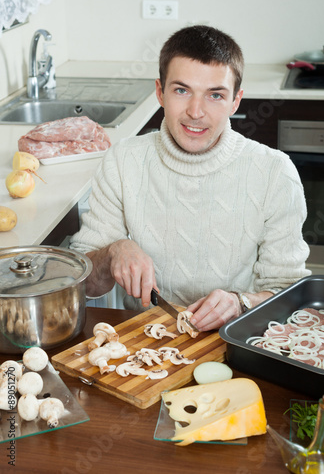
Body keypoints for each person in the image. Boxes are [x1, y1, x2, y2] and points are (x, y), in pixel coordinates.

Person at [70, 25, 310, 331]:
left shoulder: (276, 173)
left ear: (236, 101)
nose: (196, 112)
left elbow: (292, 296)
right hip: (145, 341)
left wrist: (241, 303)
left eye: (215, 95)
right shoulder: (122, 161)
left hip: (237, 339)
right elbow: (84, 284)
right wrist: (112, 251)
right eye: (182, 90)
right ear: (160, 91)